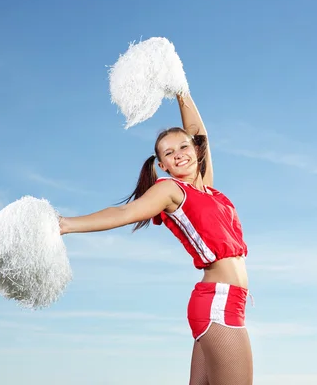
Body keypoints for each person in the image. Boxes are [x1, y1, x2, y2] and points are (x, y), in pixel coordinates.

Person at [59, 93, 253, 385]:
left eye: (183, 146)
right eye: (169, 153)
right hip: (218, 302)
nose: (179, 154)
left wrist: (181, 92)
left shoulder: (208, 190)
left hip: (228, 301)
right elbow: (126, 212)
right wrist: (64, 225)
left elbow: (201, 134)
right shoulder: (171, 191)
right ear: (162, 165)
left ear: (196, 150)